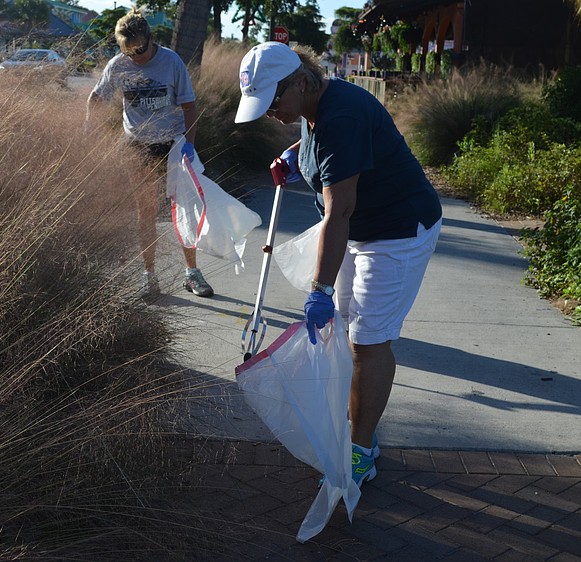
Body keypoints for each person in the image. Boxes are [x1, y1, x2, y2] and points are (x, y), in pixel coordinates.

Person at [234, 42, 443, 487]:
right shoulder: (318, 103)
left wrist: (319, 289)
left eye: (274, 99)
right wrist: (297, 154)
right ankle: (359, 429)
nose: (269, 110)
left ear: (302, 81)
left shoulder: (341, 115)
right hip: (363, 228)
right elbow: (320, 140)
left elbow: (339, 212)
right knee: (353, 332)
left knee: (369, 341)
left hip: (397, 230)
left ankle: (362, 449)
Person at [85, 11, 214, 299]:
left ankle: (192, 273)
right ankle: (149, 276)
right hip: (138, 147)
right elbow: (97, 98)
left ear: (151, 39)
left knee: (182, 211)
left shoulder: (171, 62)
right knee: (145, 213)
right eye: (128, 51)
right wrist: (89, 127)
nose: (137, 56)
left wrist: (189, 147)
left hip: (172, 145)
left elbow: (190, 107)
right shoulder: (118, 66)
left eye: (141, 50)